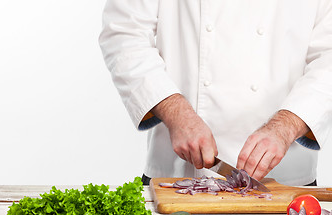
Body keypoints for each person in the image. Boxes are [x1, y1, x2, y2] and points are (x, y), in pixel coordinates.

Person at [99, 0, 332, 186]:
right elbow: (124, 33)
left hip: (285, 179)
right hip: (179, 175)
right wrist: (176, 112)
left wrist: (286, 125)